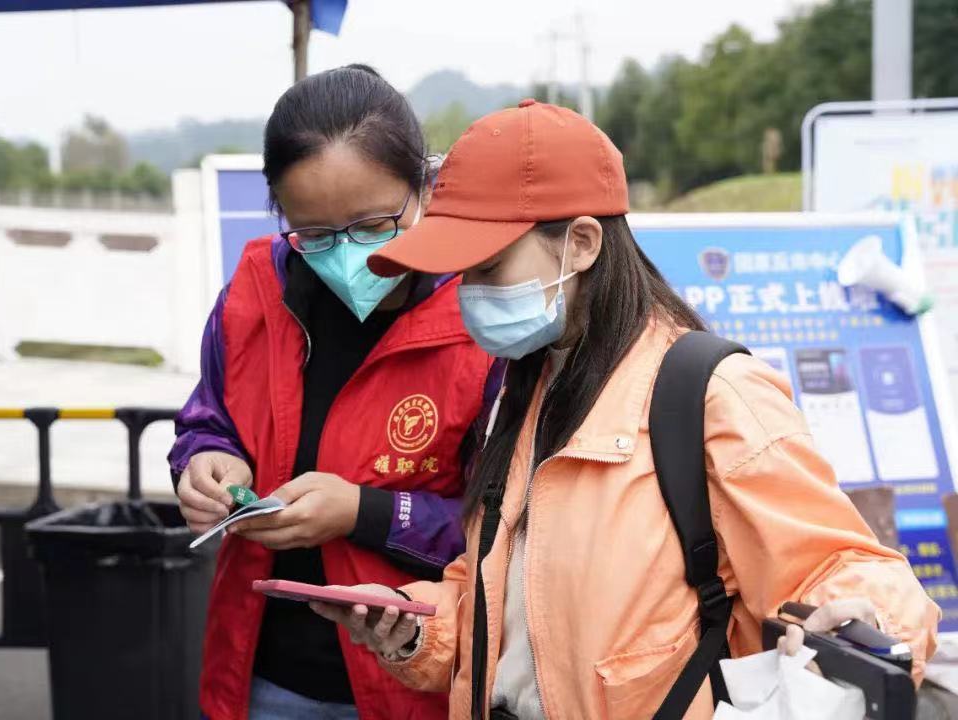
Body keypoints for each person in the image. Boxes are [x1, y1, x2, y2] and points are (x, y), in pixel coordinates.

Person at [310, 100, 941, 719]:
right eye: (461, 274)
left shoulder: (711, 394)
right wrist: (414, 625)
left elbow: (842, 568)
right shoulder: (523, 389)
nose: (469, 294)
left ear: (582, 243)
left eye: (489, 268)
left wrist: (862, 624)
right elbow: (508, 612)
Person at [168, 65, 496, 720]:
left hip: (415, 686)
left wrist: (364, 512)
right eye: (315, 234)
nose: (348, 256)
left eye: (373, 224)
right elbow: (210, 418)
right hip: (261, 676)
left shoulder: (482, 322)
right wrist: (206, 461)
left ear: (425, 189)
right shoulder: (254, 293)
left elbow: (513, 529)